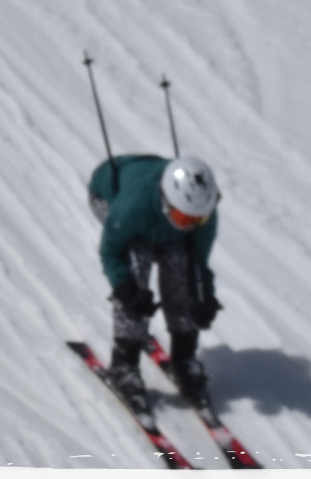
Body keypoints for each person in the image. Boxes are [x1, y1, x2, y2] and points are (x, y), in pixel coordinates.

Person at [88, 154, 222, 409]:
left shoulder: (201, 211)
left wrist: (204, 296)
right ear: (166, 201)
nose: (190, 226)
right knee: (137, 260)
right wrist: (125, 287)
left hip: (156, 212)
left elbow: (199, 262)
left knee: (181, 262)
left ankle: (184, 357)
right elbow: (110, 252)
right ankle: (124, 364)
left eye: (197, 220)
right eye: (184, 219)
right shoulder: (132, 208)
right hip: (109, 194)